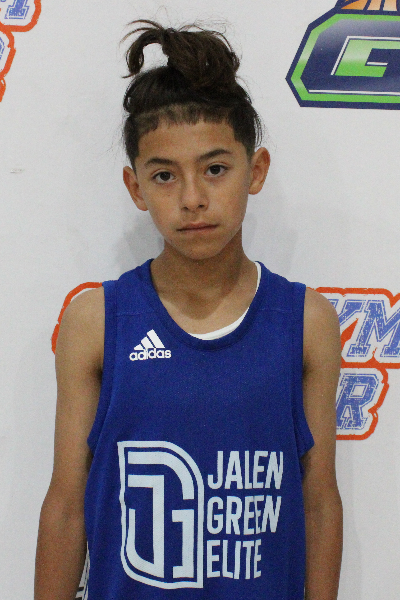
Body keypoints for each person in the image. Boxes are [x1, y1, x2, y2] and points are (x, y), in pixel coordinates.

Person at [34, 20, 343, 600]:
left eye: (215, 169)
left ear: (256, 170)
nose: (193, 198)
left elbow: (319, 500)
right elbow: (67, 505)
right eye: (164, 176)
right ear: (136, 188)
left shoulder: (306, 322)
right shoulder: (97, 321)